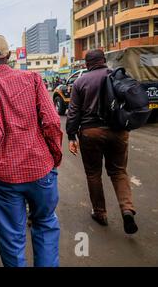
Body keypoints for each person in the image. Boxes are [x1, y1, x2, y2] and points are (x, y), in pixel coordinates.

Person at [0, 35, 63, 267]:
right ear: (9, 56)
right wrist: (54, 156)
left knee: (12, 238)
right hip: (41, 168)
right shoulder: (33, 78)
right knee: (45, 224)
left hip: (5, 176)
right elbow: (52, 122)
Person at [66, 49, 138, 234]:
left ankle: (100, 212)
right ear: (104, 61)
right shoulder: (118, 76)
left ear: (86, 64)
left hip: (91, 133)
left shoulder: (80, 82)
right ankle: (127, 209)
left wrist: (71, 136)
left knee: (93, 174)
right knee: (119, 171)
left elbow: (73, 112)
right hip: (118, 131)